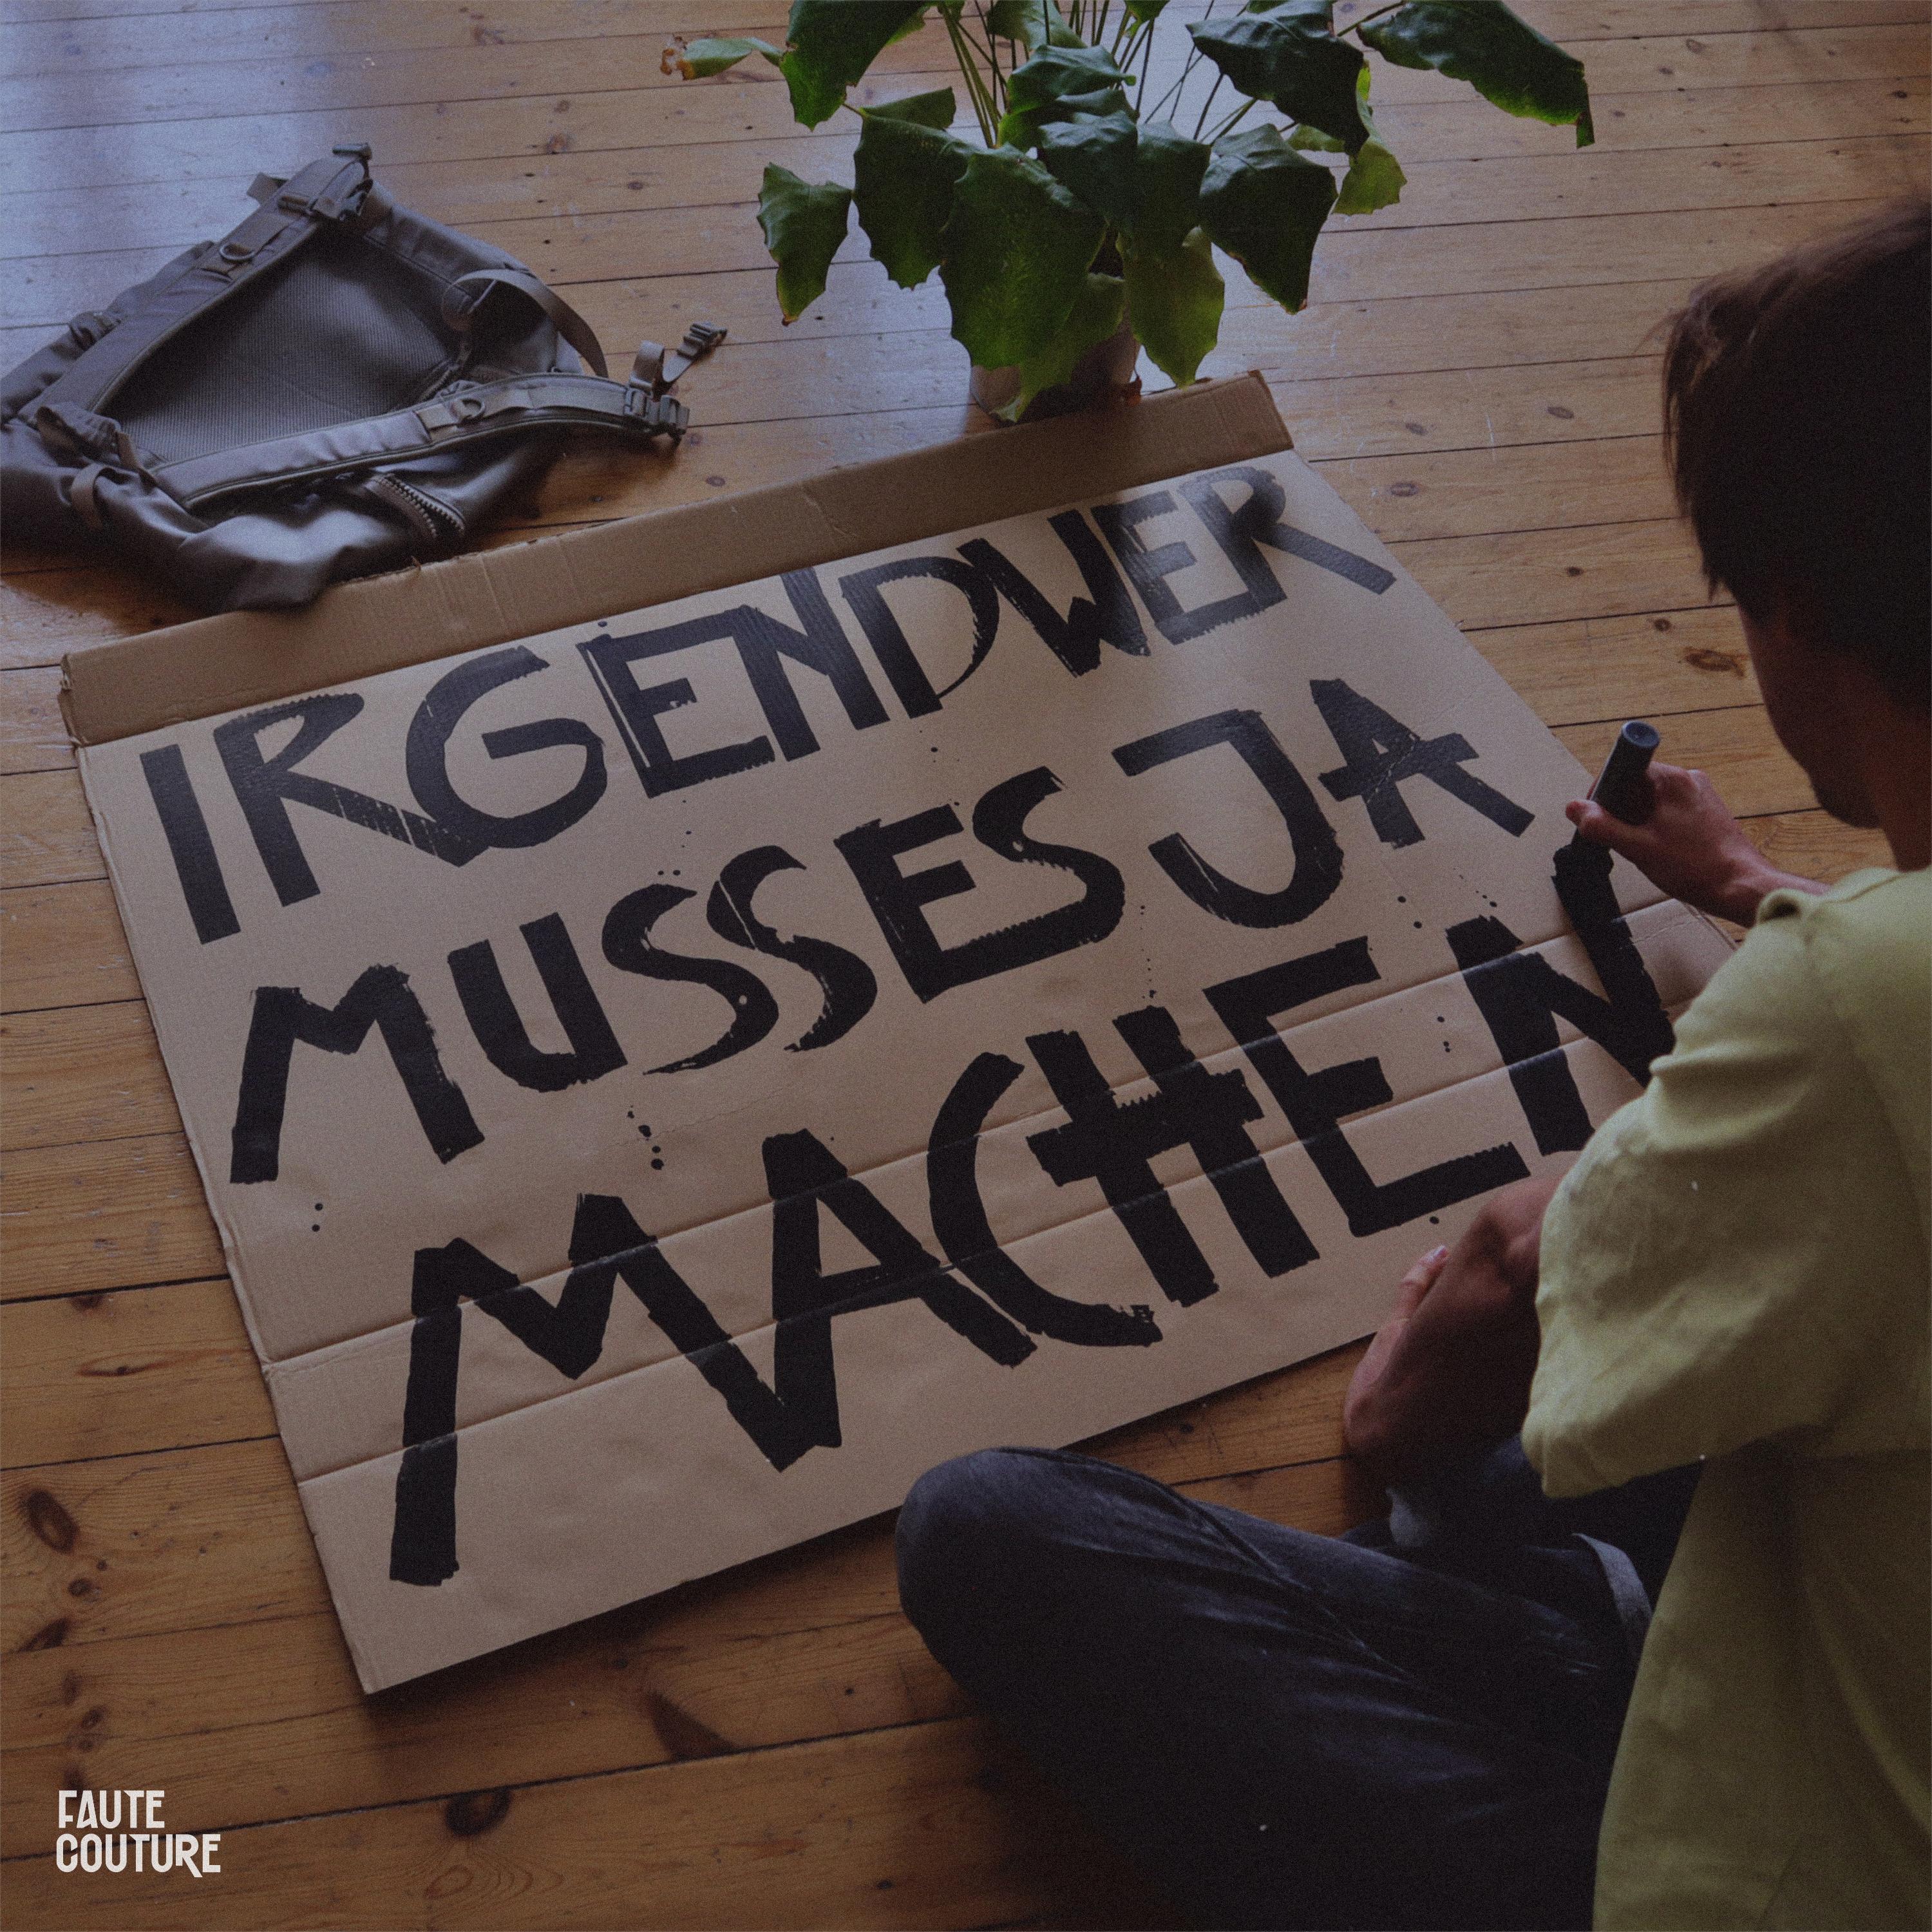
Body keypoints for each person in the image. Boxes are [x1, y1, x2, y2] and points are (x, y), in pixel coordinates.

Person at [895, 200, 1929, 1930]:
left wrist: (1397, 1411)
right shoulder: (1873, 974)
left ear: (1799, 611)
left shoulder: (1847, 1009)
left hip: (1785, 1866)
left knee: (990, 1532)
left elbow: (1516, 1269)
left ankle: (1567, 1643)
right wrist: (1758, 888)